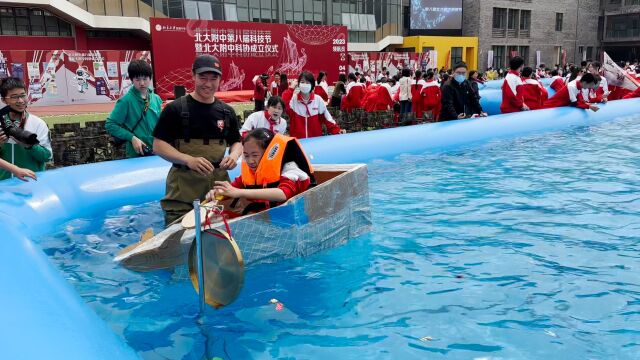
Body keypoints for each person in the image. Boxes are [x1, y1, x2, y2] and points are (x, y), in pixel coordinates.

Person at [152, 54, 243, 225]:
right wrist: (188, 160)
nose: (208, 84)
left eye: (213, 78)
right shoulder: (175, 109)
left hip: (217, 191)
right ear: (193, 76)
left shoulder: (226, 112)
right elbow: (158, 145)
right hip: (182, 195)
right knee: (177, 240)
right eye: (203, 77)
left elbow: (237, 142)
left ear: (220, 79)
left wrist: (234, 156)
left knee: (220, 238)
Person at [206, 128, 312, 214]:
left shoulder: (290, 168)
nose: (250, 161)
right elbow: (231, 189)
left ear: (269, 153)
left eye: (255, 155)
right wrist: (218, 193)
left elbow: (283, 193)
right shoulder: (251, 173)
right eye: (246, 156)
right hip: (267, 221)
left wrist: (238, 192)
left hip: (292, 222)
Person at [105, 60, 162, 158]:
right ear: (132, 80)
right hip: (136, 153)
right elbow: (110, 124)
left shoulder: (156, 98)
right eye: (137, 79)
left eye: (145, 79)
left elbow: (161, 124)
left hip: (157, 151)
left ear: (150, 78)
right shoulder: (125, 101)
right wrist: (132, 138)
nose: (142, 83)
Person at [0, 78, 52, 181]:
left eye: (23, 95)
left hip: (31, 182)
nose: (20, 100)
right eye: (14, 97)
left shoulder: (38, 123)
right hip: (4, 185)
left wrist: (30, 146)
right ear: (4, 100)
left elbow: (47, 156)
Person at [288, 71, 343, 139]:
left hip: (314, 143)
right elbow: (285, 104)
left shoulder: (318, 100)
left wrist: (337, 132)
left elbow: (328, 119)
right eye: (302, 82)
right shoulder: (294, 100)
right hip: (297, 143)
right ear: (298, 84)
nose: (305, 84)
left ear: (312, 85)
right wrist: (291, 88)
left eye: (308, 82)